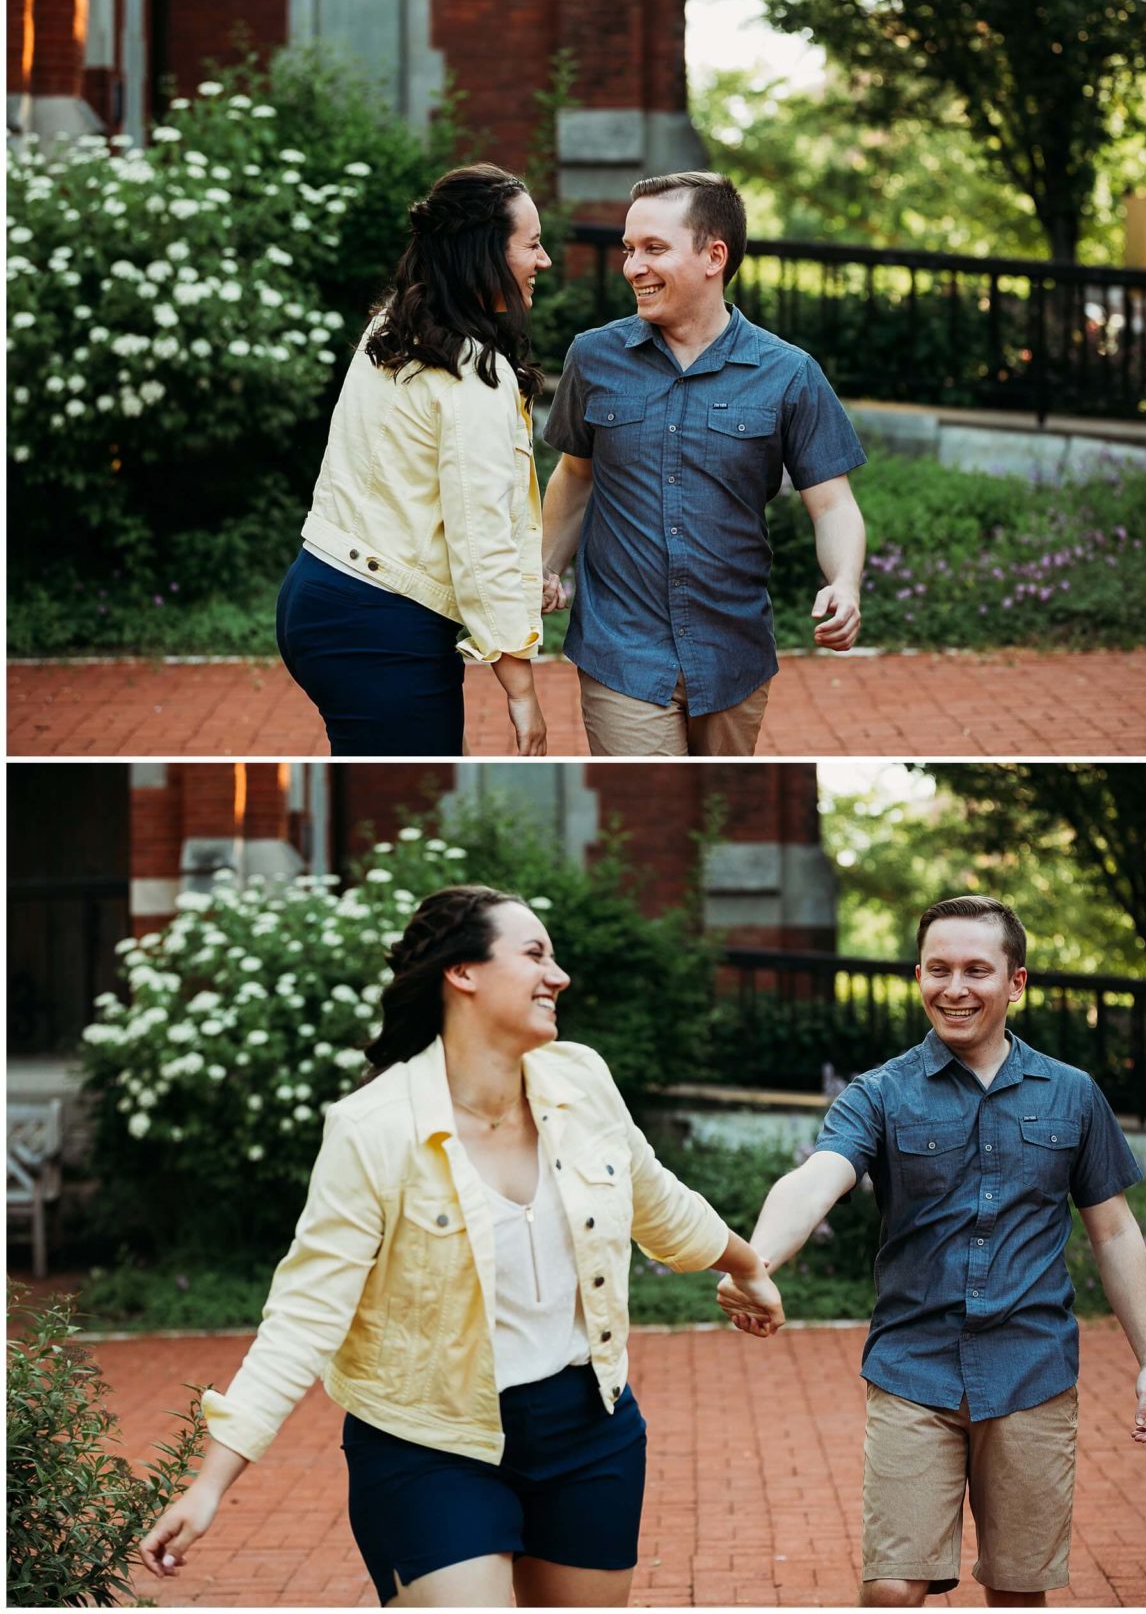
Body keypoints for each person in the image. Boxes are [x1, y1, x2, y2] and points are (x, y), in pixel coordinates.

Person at [138, 883, 783, 1609]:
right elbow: (304, 1316)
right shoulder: (374, 1129)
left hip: (588, 1430)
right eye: (535, 954)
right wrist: (209, 1484)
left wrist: (747, 1264)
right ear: (463, 972)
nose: (559, 975)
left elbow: (657, 1202)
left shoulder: (581, 1081)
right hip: (427, 1445)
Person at [719, 895, 1146, 1608]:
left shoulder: (1073, 1095)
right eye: (938, 969)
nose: (954, 988)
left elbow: (1112, 1230)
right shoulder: (878, 1094)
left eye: (975, 970)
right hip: (914, 1371)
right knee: (892, 1588)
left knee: (1019, 1591)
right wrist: (756, 1263)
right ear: (918, 975)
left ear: (1015, 982)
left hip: (1032, 1371)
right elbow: (817, 1179)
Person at [540, 170, 867, 755]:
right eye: (629, 249)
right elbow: (575, 475)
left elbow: (833, 502)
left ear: (714, 255)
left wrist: (844, 582)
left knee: (715, 809)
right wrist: (544, 567)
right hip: (622, 649)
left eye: (654, 249)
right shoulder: (593, 358)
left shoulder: (789, 373)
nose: (632, 266)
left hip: (733, 651)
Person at [276, 165, 554, 759]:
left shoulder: (397, 328)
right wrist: (521, 688)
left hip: (320, 591)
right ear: (484, 254)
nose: (545, 260)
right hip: (377, 627)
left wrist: (531, 583)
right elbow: (477, 539)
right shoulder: (471, 373)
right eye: (531, 244)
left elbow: (419, 498)